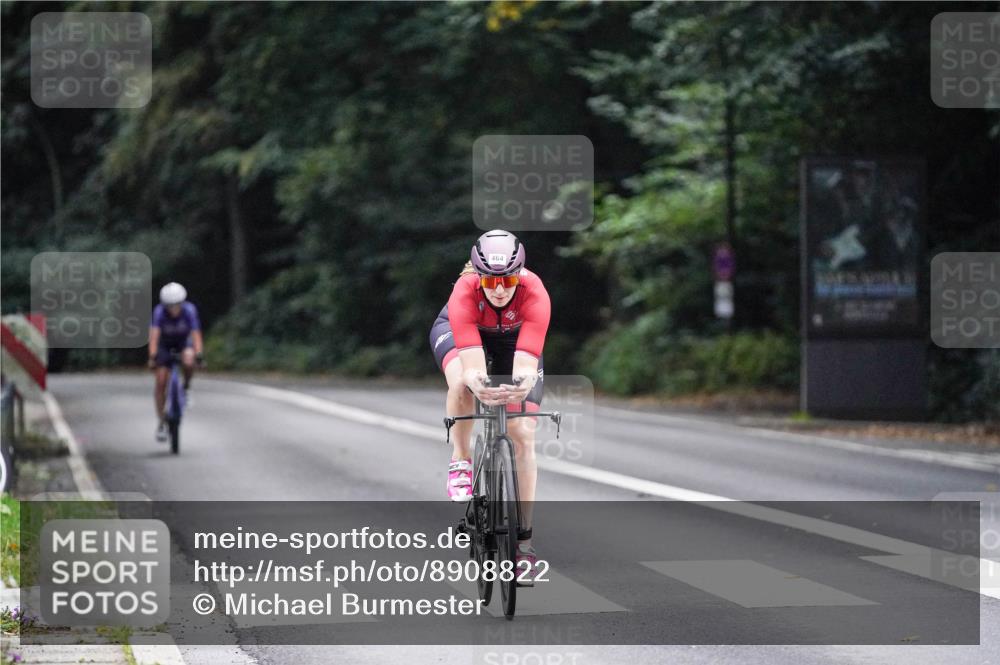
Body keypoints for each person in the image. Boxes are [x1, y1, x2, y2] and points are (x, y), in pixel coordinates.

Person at [428, 230, 550, 585]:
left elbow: (526, 371)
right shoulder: (464, 291)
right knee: (463, 383)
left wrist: (518, 388)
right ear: (477, 276)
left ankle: (524, 545)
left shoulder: (535, 292)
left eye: (509, 279)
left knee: (522, 431)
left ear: (521, 274)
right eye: (491, 281)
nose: (499, 289)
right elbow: (474, 369)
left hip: (515, 340)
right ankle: (461, 460)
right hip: (463, 333)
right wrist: (481, 385)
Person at [148, 282, 203, 442]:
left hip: (183, 342)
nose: (173, 309)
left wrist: (198, 353)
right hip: (164, 344)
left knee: (188, 358)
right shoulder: (159, 313)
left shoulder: (189, 311)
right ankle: (161, 422)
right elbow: (154, 336)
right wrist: (152, 357)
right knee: (161, 380)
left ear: (182, 302)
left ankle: (186, 387)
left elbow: (196, 335)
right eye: (170, 306)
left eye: (177, 305)